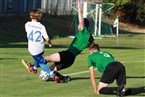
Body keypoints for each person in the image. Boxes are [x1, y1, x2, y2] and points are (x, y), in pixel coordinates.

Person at [44, 0, 94, 82]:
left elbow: (81, 21)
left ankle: (33, 66)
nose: (78, 25)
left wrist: (79, 7)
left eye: (79, 24)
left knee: (47, 58)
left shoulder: (83, 31)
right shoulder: (89, 36)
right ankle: (63, 78)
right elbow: (93, 46)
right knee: (50, 71)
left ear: (83, 25)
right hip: (71, 60)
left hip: (67, 54)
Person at [23, 9, 60, 82]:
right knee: (40, 60)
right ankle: (37, 69)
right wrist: (49, 43)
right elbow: (47, 38)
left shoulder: (27, 24)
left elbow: (28, 32)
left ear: (31, 16)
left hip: (32, 48)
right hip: (40, 48)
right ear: (39, 17)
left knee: (39, 60)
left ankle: (37, 69)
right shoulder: (41, 27)